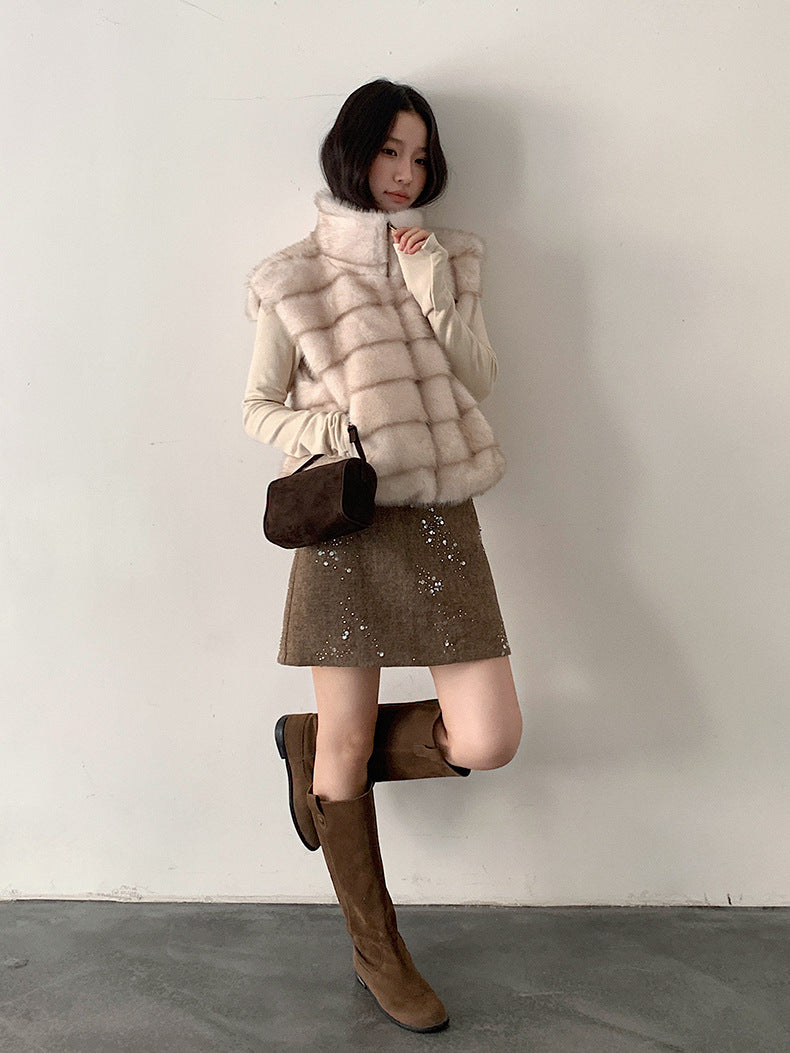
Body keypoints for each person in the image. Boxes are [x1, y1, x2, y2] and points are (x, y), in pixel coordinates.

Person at [243, 78, 522, 1034]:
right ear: (352, 151)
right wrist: (334, 426)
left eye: (420, 156)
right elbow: (257, 407)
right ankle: (377, 950)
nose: (405, 173)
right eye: (390, 151)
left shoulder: (451, 257)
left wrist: (434, 291)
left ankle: (311, 746)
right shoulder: (293, 277)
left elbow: (480, 378)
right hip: (349, 522)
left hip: (443, 520)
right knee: (350, 743)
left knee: (488, 736)